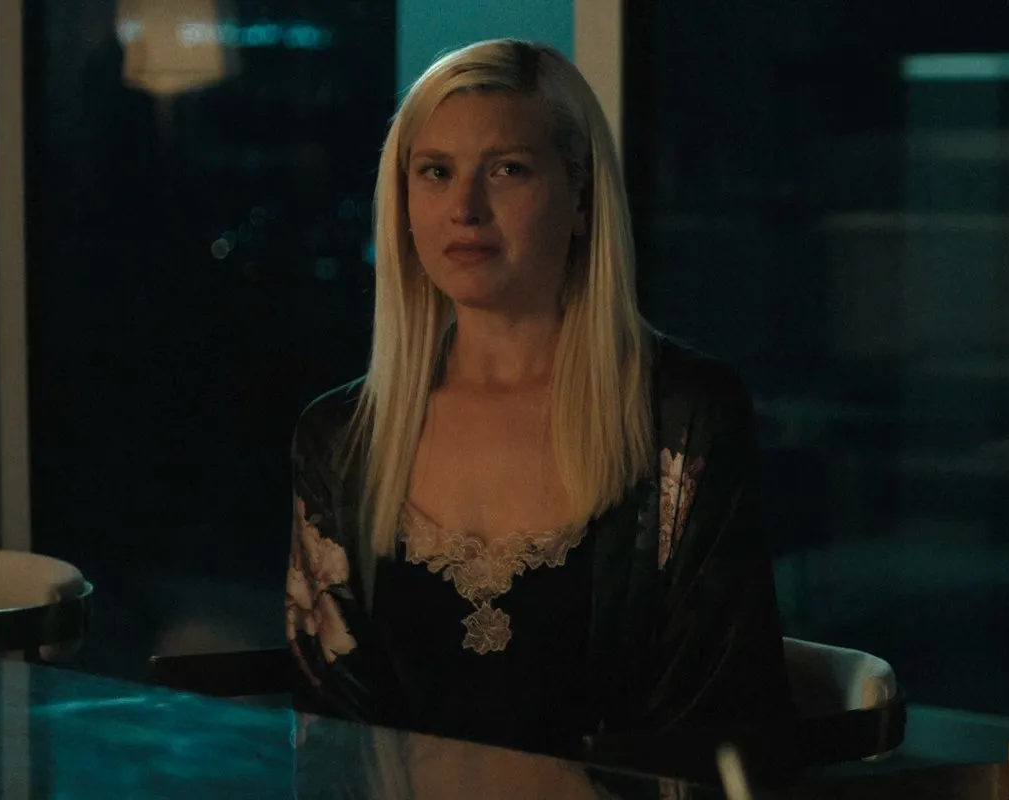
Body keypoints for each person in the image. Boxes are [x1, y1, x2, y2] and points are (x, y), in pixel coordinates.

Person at [282, 39, 795, 765]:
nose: (465, 209)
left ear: (581, 197)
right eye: (436, 172)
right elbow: (333, 732)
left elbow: (714, 716)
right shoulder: (341, 436)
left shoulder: (683, 416)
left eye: (508, 170)